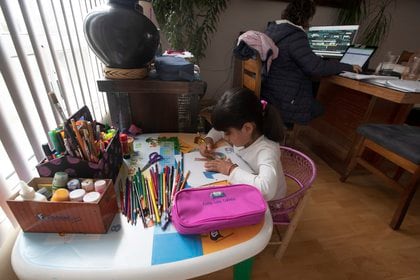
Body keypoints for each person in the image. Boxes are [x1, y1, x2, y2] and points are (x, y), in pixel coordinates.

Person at [261, 0, 362, 126]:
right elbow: (316, 67)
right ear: (307, 17)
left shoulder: (274, 30)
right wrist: (348, 66)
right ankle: (307, 139)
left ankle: (299, 137)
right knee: (321, 108)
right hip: (284, 102)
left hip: (271, 95)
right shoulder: (295, 35)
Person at [199, 87, 287, 201]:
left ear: (247, 128)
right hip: (247, 185)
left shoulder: (267, 150)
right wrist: (208, 139)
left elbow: (267, 190)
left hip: (269, 204)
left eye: (228, 133)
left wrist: (231, 170)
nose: (225, 137)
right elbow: (218, 130)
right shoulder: (244, 133)